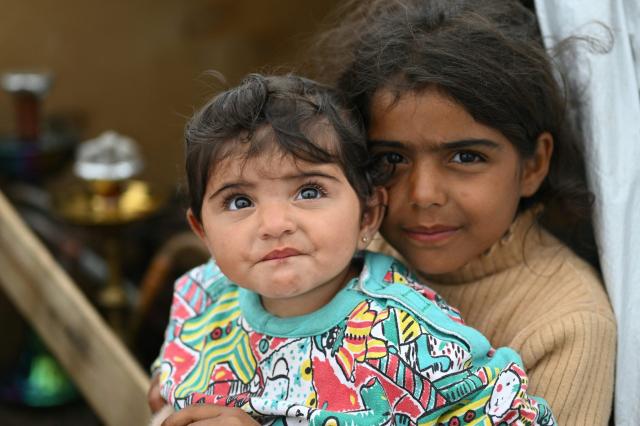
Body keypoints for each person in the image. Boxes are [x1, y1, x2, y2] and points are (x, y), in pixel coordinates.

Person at [150, 73, 555, 425]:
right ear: (202, 230)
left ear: (367, 215)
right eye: (239, 201)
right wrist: (167, 385)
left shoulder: (411, 340)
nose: (274, 225)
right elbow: (174, 376)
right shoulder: (202, 292)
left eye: (309, 191)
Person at [313, 0, 616, 424]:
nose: (423, 195)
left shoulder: (564, 324)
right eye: (391, 159)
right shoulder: (340, 259)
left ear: (533, 165)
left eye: (466, 157)